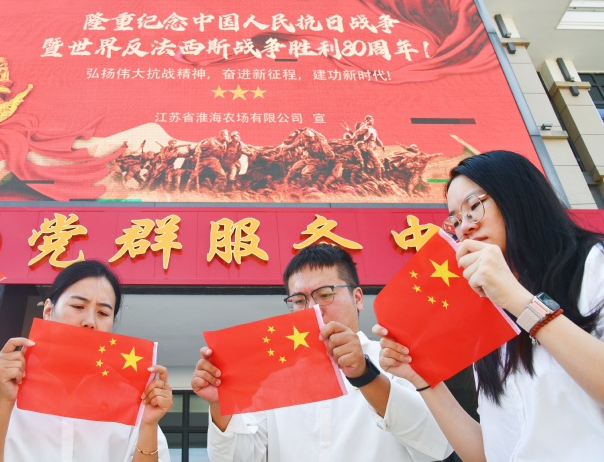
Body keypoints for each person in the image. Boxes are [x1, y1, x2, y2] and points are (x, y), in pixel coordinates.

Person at [376, 150, 604, 461]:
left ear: (518, 197)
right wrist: (423, 380)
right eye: (456, 220)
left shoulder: (590, 265)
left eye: (473, 207)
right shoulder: (487, 312)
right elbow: (488, 451)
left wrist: (520, 301)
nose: (464, 228)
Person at [192, 243, 453, 461]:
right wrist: (220, 404)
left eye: (325, 295)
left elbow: (438, 444)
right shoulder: (272, 378)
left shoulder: (394, 359)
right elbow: (239, 458)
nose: (312, 310)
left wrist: (365, 375)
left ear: (358, 298)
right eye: (299, 300)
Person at [0, 260, 173, 461]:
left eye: (103, 312)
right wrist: (4, 401)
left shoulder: (131, 399)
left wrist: (148, 425)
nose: (90, 321)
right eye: (78, 306)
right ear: (48, 310)